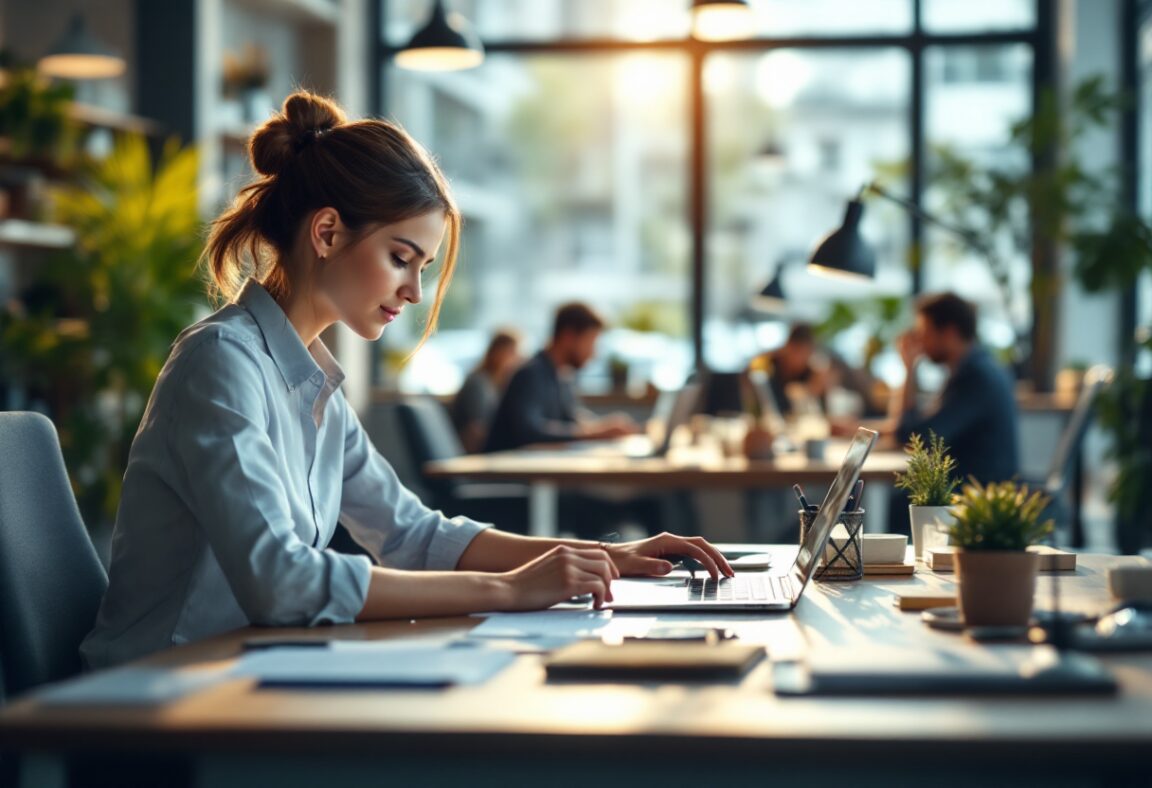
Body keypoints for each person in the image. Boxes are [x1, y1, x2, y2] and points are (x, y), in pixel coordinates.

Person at [80, 92, 732, 670]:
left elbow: (413, 535)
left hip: (239, 672)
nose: (414, 292)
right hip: (154, 697)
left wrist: (598, 557)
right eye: (402, 259)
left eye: (422, 267)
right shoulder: (220, 364)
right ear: (328, 232)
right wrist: (508, 589)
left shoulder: (312, 387)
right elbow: (281, 581)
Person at [891, 291, 1019, 484]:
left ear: (950, 333)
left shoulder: (975, 377)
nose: (921, 343)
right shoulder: (977, 367)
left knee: (900, 497)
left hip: (979, 494)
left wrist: (909, 368)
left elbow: (914, 438)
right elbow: (919, 427)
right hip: (978, 484)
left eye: (925, 333)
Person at [483, 302, 637, 452]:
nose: (593, 353)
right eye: (590, 341)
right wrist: (596, 432)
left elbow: (571, 420)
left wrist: (604, 426)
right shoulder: (530, 374)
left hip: (532, 470)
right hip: (505, 473)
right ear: (568, 336)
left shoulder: (561, 375)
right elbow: (530, 432)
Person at [450, 328, 522, 453]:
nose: (517, 359)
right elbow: (474, 431)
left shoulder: (494, 383)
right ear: (498, 352)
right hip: (473, 454)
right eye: (513, 352)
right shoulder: (478, 383)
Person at [749, 322, 829, 418]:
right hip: (767, 417)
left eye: (805, 353)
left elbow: (820, 403)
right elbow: (751, 379)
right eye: (796, 351)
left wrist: (812, 388)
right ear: (788, 346)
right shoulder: (769, 362)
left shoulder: (813, 372)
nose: (799, 359)